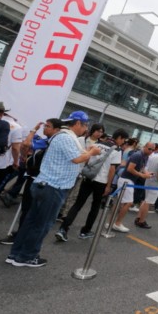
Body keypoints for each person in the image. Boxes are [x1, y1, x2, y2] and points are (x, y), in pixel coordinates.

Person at [7, 111, 101, 267]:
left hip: (45, 185)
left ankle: (16, 254)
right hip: (52, 188)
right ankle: (26, 256)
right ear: (78, 123)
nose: (86, 129)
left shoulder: (65, 136)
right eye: (86, 126)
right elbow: (77, 159)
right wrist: (92, 152)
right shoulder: (66, 137)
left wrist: (88, 151)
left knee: (31, 221)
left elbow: (76, 155)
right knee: (41, 224)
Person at [55, 129, 128, 241]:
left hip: (88, 177)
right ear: (119, 137)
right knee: (95, 207)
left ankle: (63, 229)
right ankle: (85, 231)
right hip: (101, 182)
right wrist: (108, 186)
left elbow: (88, 158)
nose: (123, 142)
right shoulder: (117, 150)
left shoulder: (98, 144)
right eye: (123, 140)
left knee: (78, 204)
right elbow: (112, 169)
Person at [113, 142, 155, 232]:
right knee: (128, 203)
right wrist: (142, 175)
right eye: (149, 149)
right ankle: (117, 223)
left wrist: (147, 173)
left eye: (153, 150)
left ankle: (112, 222)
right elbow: (130, 168)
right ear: (145, 147)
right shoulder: (138, 155)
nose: (151, 151)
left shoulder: (145, 156)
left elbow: (142, 168)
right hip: (126, 180)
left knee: (121, 203)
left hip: (129, 180)